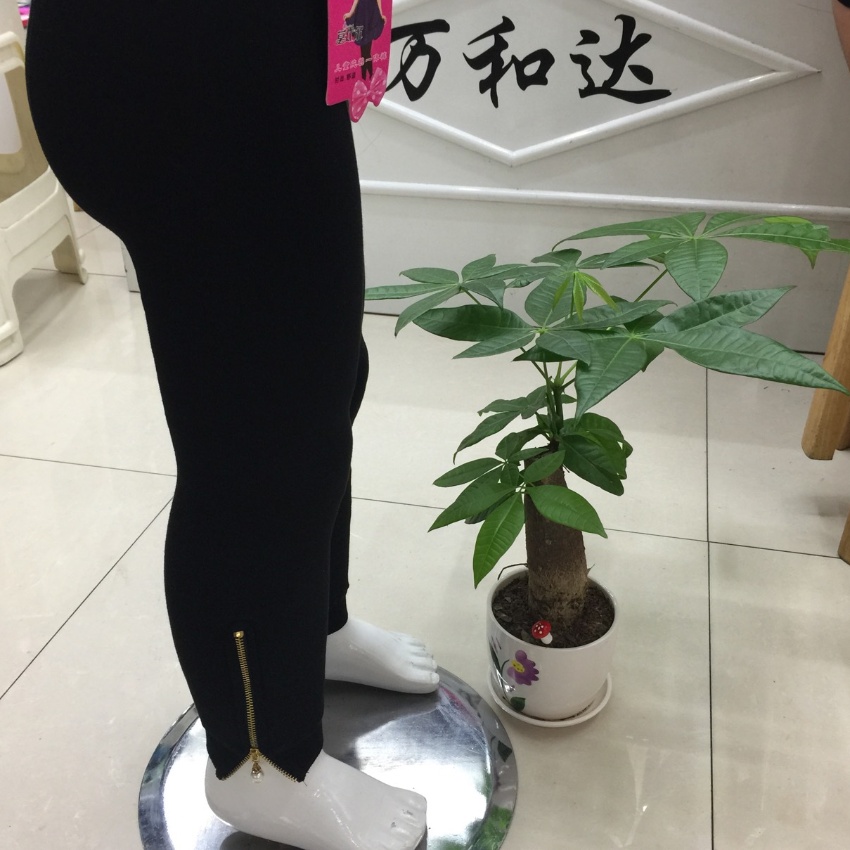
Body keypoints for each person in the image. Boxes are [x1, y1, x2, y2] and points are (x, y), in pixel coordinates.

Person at [24, 3, 435, 848]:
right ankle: (261, 761)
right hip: (183, 54)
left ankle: (315, 629)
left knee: (324, 377)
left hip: (270, 46)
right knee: (256, 432)